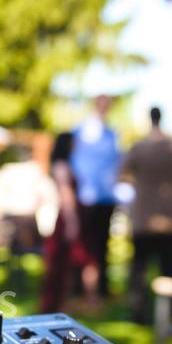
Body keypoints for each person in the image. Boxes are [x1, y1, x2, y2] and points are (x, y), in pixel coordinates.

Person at [119, 107, 172, 322]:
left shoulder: (138, 148)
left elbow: (123, 176)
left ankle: (139, 311)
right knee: (169, 265)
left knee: (140, 266)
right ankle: (170, 310)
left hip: (143, 215)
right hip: (171, 215)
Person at [67, 95, 123, 304]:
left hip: (105, 197)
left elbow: (117, 164)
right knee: (84, 246)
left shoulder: (111, 134)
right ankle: (80, 290)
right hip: (87, 196)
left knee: (102, 245)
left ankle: (101, 288)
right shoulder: (81, 131)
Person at [39, 131, 91, 313]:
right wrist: (72, 220)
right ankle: (54, 305)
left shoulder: (64, 165)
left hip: (68, 216)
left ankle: (61, 303)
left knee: (65, 264)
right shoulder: (61, 166)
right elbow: (66, 195)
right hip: (66, 218)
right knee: (59, 264)